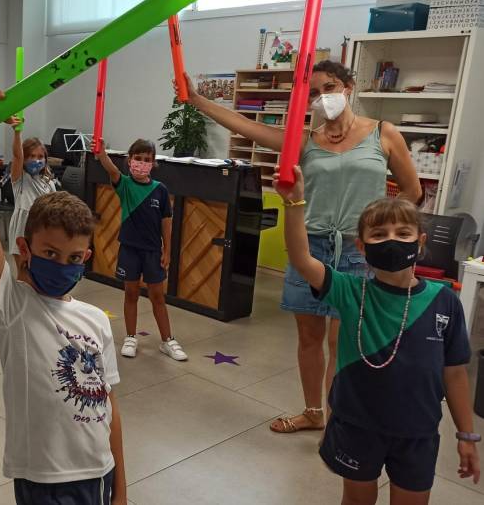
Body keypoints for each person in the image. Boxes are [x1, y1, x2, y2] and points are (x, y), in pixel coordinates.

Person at [180, 61, 422, 433]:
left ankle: (340, 416)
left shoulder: (383, 134)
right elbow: (249, 128)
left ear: (348, 87)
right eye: (311, 93)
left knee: (343, 339)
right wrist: (196, 100)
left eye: (328, 88)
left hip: (358, 252)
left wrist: (385, 232)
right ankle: (313, 412)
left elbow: (412, 191)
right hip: (311, 247)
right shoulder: (304, 138)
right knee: (309, 338)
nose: (320, 98)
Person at [0, 86, 127, 505]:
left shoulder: (96, 320)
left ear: (86, 257)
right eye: (50, 253)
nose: (62, 263)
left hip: (99, 472)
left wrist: (121, 488)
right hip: (44, 481)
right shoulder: (12, 306)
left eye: (73, 257)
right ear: (25, 249)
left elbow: (110, 408)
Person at [275, 166, 480, 504]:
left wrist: (467, 434)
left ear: (420, 240)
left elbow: (455, 373)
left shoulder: (444, 302)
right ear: (362, 245)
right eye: (379, 234)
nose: (392, 241)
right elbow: (301, 258)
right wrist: (295, 203)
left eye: (403, 233)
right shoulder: (349, 290)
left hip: (418, 433)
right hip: (357, 427)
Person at [95, 143, 186, 362]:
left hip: (153, 252)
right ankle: (130, 337)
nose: (142, 163)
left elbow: (166, 222)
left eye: (147, 159)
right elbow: (112, 170)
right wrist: (102, 154)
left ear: (153, 163)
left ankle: (168, 340)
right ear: (129, 160)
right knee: (131, 294)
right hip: (129, 249)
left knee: (157, 296)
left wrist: (168, 251)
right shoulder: (124, 185)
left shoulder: (160, 189)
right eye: (138, 158)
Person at [6, 119, 57, 268]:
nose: (36, 160)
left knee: (38, 268)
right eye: (31, 156)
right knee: (23, 268)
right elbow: (17, 156)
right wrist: (17, 133)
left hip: (41, 228)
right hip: (22, 229)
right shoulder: (20, 179)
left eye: (40, 157)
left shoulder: (49, 183)